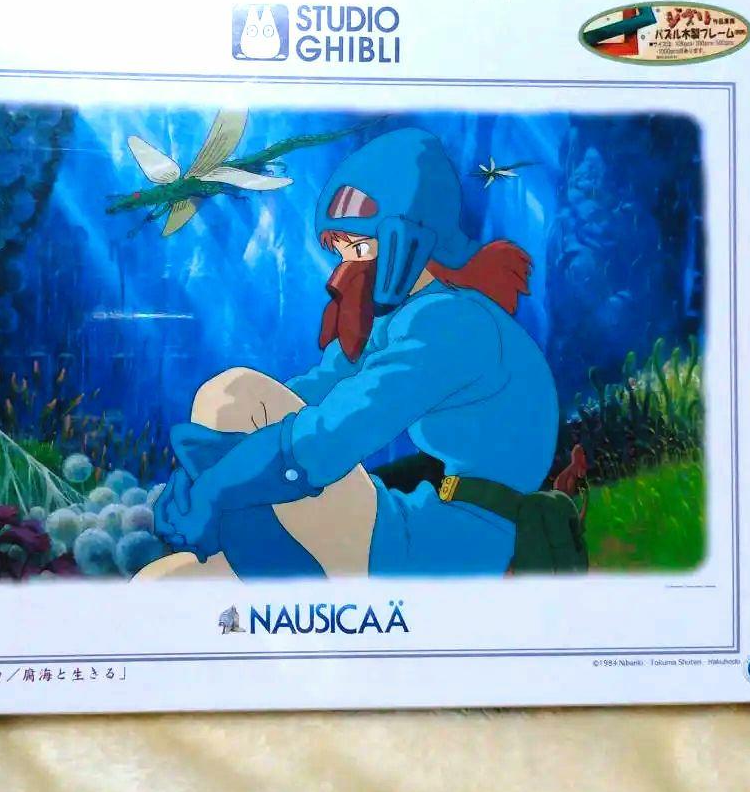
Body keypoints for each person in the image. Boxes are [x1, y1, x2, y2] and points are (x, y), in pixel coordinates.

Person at [142, 128, 558, 579]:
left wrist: (218, 485)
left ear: (405, 238)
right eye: (342, 253)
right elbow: (314, 391)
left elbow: (339, 430)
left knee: (233, 394)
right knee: (160, 583)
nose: (344, 272)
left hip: (453, 543)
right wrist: (201, 476)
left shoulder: (450, 322)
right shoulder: (398, 320)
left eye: (359, 248)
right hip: (425, 517)